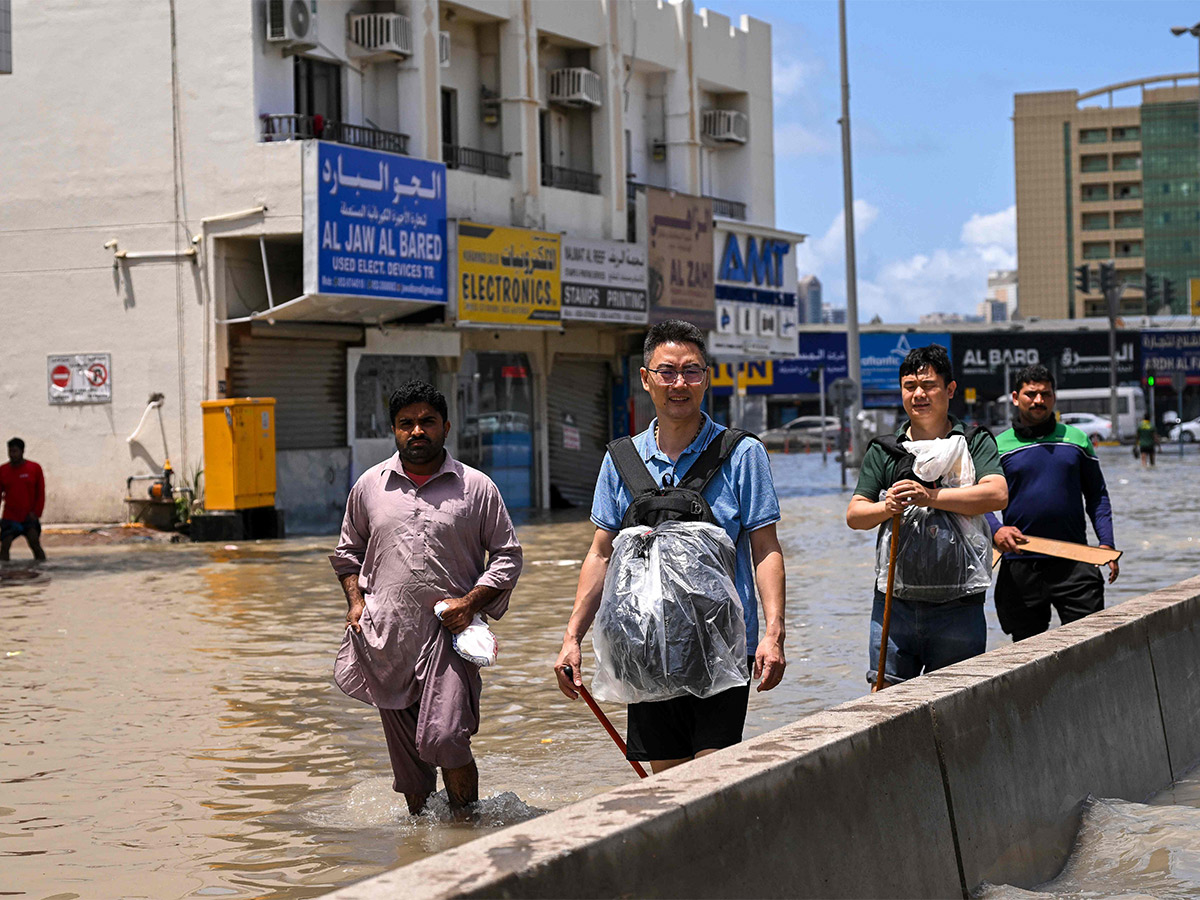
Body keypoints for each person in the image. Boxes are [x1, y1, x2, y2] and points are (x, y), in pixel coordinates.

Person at [554, 319, 786, 774]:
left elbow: (765, 549)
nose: (679, 383)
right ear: (646, 379)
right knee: (666, 789)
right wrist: (571, 638)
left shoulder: (742, 454)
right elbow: (601, 553)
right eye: (667, 371)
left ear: (707, 376)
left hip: (722, 650)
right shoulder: (620, 459)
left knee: (711, 780)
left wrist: (774, 634)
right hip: (643, 651)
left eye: (692, 371)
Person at [330, 380, 522, 816]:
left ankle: (466, 827)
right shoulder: (368, 487)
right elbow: (347, 554)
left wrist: (470, 603)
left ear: (445, 427)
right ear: (394, 430)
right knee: (410, 769)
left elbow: (508, 555)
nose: (417, 431)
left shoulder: (476, 488)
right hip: (386, 639)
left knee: (447, 737)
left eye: (427, 422)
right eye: (406, 424)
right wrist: (355, 604)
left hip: (449, 638)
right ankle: (423, 853)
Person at [846, 344, 1007, 688]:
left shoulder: (973, 442)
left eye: (929, 386)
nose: (918, 394)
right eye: (909, 387)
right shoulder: (885, 450)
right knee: (885, 708)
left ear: (950, 390)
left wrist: (931, 496)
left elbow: (996, 494)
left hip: (959, 607)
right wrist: (886, 507)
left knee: (958, 707)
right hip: (894, 605)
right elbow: (856, 515)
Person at [988, 365, 1118, 642]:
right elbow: (979, 502)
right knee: (1024, 654)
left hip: (1075, 559)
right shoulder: (997, 446)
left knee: (1090, 645)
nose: (1038, 401)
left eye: (1045, 394)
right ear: (1015, 397)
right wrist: (996, 530)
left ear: (1053, 397)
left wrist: (1106, 542)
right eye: (1031, 394)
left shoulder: (1077, 440)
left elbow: (1097, 495)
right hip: (1020, 562)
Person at [0, 438, 46, 562]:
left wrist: (36, 513)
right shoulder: (3, 470)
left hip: (28, 516)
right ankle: (5, 575)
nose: (12, 455)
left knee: (34, 543)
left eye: (15, 451)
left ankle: (42, 570)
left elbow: (40, 493)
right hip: (10, 516)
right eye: (10, 451)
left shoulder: (34, 468)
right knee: (4, 547)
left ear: (22, 451)